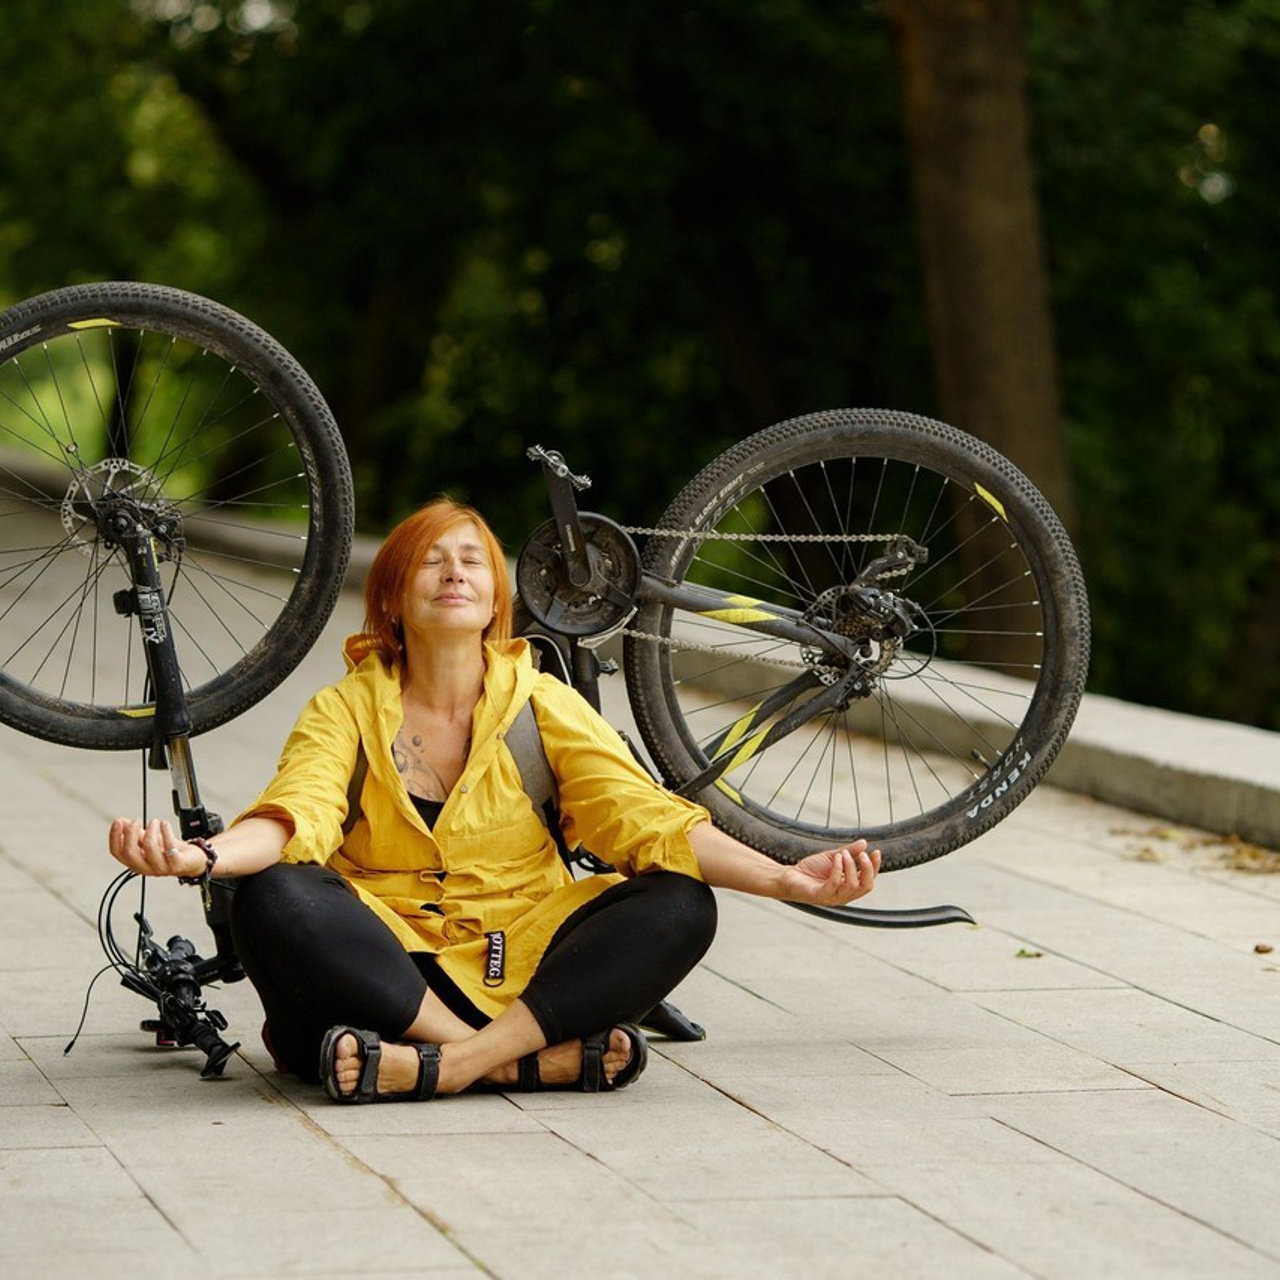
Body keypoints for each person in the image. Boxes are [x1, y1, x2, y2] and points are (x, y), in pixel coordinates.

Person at [108, 499, 881, 1103]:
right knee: (270, 895)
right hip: (387, 976)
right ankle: (510, 1064)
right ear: (391, 600)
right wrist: (200, 859)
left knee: (683, 902)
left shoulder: (543, 704)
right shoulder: (343, 708)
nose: (453, 573)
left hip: (525, 967)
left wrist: (786, 879)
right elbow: (293, 817)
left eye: (472, 560)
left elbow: (647, 822)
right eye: (431, 562)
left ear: (496, 598)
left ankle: (440, 1067)